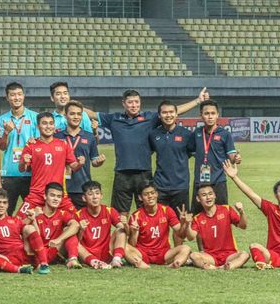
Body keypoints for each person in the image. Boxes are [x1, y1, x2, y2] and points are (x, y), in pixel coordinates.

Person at [85, 88, 209, 217]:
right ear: (124, 103)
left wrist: (198, 100)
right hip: (122, 173)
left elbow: (174, 110)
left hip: (144, 173)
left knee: (146, 212)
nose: (134, 105)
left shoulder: (150, 118)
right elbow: (92, 114)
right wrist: (70, 104)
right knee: (121, 215)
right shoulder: (114, 118)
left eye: (136, 102)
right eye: (130, 102)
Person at [18, 112, 84, 214]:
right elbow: (21, 169)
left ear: (54, 125)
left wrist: (80, 163)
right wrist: (23, 162)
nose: (48, 126)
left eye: (51, 123)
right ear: (38, 126)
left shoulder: (63, 144)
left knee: (78, 222)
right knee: (19, 221)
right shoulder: (31, 145)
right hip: (36, 194)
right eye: (44, 123)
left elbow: (74, 167)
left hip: (57, 194)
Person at [180, 184, 249, 271]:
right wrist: (187, 224)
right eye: (204, 195)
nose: (208, 197)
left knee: (245, 254)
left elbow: (243, 226)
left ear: (215, 195)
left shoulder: (226, 209)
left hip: (229, 255)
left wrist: (241, 212)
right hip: (210, 256)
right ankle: (213, 266)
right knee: (193, 255)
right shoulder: (198, 218)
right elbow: (191, 237)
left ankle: (229, 266)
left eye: (210, 194)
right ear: (198, 199)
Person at [190, 100, 241, 215]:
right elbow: (190, 151)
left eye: (213, 113)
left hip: (218, 181)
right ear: (201, 115)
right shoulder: (196, 133)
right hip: (200, 182)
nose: (210, 116)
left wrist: (236, 158)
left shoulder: (225, 134)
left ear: (218, 114)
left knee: (221, 215)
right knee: (197, 216)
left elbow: (231, 156)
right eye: (206, 113)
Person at [124, 183, 191, 269]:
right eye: (146, 194)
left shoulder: (167, 210)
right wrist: (134, 232)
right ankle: (139, 263)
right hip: (143, 253)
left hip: (163, 253)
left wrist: (183, 223)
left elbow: (181, 234)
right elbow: (132, 244)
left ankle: (176, 263)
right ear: (140, 197)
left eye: (152, 193)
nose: (150, 196)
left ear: (157, 194)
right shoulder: (136, 215)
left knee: (186, 248)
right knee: (123, 246)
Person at [0, 188, 46, 274]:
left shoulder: (15, 220)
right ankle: (19, 270)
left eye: (4, 203)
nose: (2, 205)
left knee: (29, 228)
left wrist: (34, 220)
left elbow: (36, 236)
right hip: (8, 259)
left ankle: (44, 263)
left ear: (8, 205)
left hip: (26, 255)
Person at [0, 82, 39, 214]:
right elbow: (1, 147)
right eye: (13, 95)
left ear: (24, 96)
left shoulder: (35, 117)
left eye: (19, 94)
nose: (16, 98)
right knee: (5, 212)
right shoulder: (2, 119)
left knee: (32, 213)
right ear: (7, 97)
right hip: (9, 174)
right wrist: (6, 132)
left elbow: (40, 144)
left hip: (30, 173)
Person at [55, 100, 105, 209]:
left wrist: (99, 161)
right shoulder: (56, 137)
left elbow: (94, 161)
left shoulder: (89, 137)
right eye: (72, 114)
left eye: (79, 114)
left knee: (83, 223)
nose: (76, 117)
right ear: (65, 115)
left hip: (82, 187)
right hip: (61, 188)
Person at [148, 101, 193, 217]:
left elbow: (194, 153)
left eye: (171, 112)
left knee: (180, 225)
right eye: (164, 112)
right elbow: (149, 152)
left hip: (180, 187)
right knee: (160, 224)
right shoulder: (153, 134)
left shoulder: (187, 134)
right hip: (160, 187)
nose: (168, 115)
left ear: (176, 114)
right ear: (159, 115)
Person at [25, 183, 83, 269]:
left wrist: (58, 240)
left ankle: (72, 260)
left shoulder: (63, 213)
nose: (56, 199)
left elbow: (76, 225)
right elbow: (19, 228)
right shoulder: (35, 211)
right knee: (30, 228)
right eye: (52, 195)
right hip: (38, 252)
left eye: (59, 196)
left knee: (69, 230)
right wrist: (31, 219)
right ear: (45, 196)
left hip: (55, 250)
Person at [76, 181, 127, 269]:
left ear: (101, 195)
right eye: (90, 194)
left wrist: (126, 225)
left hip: (106, 253)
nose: (95, 197)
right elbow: (77, 241)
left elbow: (125, 231)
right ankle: (93, 261)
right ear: (84, 198)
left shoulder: (110, 211)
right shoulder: (78, 215)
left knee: (121, 230)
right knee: (73, 241)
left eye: (97, 193)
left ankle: (117, 259)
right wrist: (81, 230)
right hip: (87, 253)